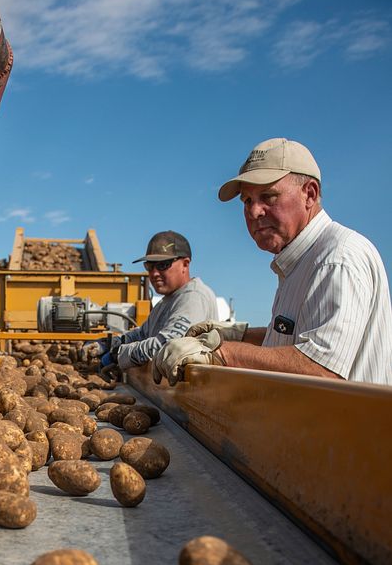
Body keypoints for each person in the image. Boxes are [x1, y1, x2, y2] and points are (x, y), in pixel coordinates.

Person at [152, 138, 392, 387]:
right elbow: (296, 341)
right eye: (247, 201)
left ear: (309, 194)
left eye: (269, 196)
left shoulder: (337, 258)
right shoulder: (300, 261)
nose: (254, 212)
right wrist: (240, 335)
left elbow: (321, 368)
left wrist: (222, 353)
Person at [95, 230, 218, 381]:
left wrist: (116, 355)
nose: (154, 273)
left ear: (185, 264)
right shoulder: (166, 301)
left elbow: (168, 346)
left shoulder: (193, 297)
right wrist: (109, 344)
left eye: (163, 265)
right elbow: (142, 334)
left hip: (190, 394)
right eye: (149, 266)